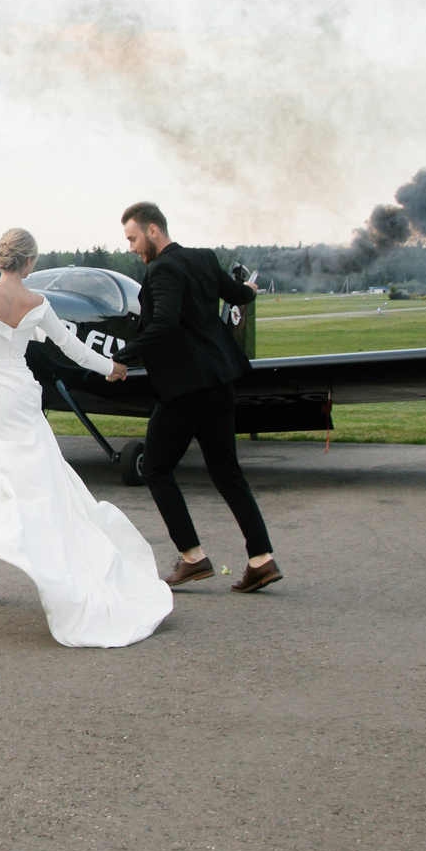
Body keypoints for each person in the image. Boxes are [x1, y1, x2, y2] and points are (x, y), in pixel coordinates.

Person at [0, 227, 175, 649]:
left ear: (0, 258)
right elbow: (71, 348)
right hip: (22, 393)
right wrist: (109, 367)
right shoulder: (38, 303)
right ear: (30, 263)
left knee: (6, 469)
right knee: (31, 470)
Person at [111, 201, 281, 594]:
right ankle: (262, 560)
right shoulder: (204, 259)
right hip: (221, 382)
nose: (132, 247)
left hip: (186, 389)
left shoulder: (163, 268)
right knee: (227, 473)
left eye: (133, 238)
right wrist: (250, 290)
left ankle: (192, 557)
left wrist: (120, 358)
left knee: (154, 467)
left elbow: (165, 325)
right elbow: (238, 295)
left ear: (154, 231)